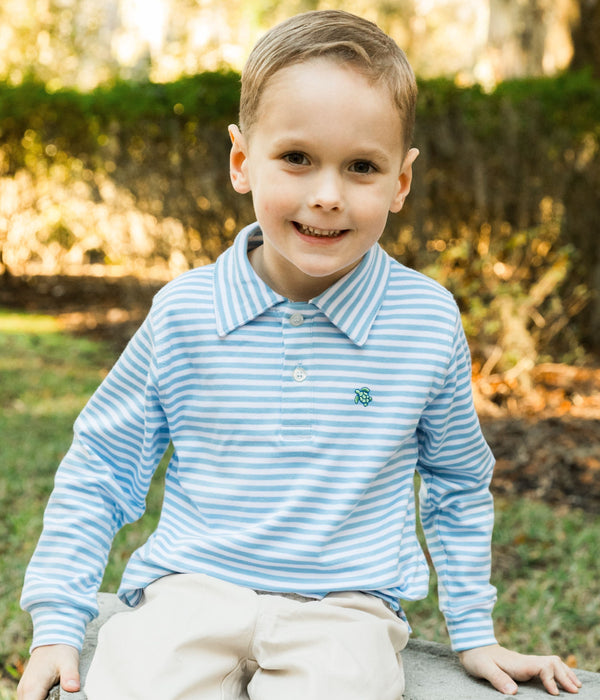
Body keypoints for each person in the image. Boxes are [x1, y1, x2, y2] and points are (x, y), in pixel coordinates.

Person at [18, 10, 582, 700]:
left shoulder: (424, 321)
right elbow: (101, 468)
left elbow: (457, 483)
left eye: (362, 167)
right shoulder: (185, 313)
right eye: (296, 158)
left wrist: (475, 633)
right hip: (188, 590)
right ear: (241, 161)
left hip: (345, 610)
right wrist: (56, 621)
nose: (327, 195)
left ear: (401, 182)